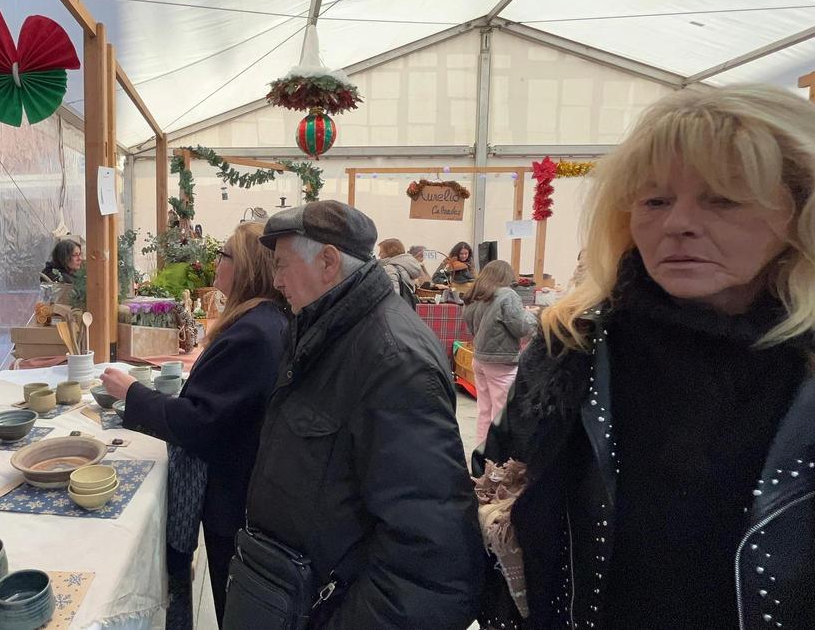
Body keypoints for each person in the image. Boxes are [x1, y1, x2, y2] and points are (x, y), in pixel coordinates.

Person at [476, 84, 815, 629]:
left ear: (800, 207)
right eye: (654, 200)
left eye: (721, 198)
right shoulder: (572, 345)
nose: (677, 223)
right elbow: (506, 517)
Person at [239, 200, 483, 628]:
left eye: (282, 265)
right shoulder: (328, 330)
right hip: (303, 594)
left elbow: (432, 563)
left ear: (328, 262)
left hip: (332, 605)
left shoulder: (392, 360)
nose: (276, 281)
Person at [100, 222, 287, 629]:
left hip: (234, 500)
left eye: (224, 255)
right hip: (245, 493)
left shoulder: (254, 333)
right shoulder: (261, 322)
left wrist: (132, 393)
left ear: (247, 267)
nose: (216, 262)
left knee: (233, 603)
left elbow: (203, 423)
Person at [461, 260, 536, 443]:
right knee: (502, 413)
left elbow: (471, 327)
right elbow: (521, 328)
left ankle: (482, 457)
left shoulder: (475, 296)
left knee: (484, 411)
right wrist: (531, 314)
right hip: (501, 361)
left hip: (479, 359)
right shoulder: (507, 295)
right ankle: (498, 459)